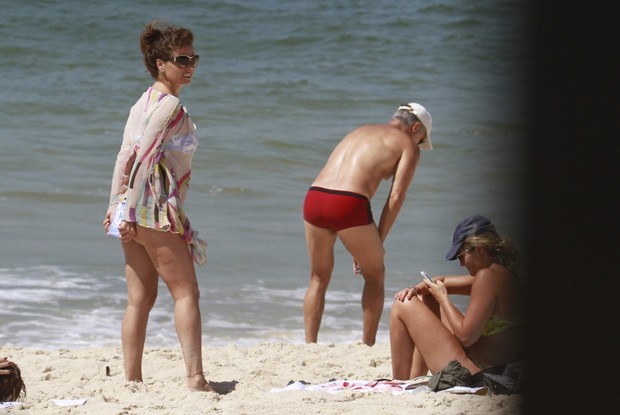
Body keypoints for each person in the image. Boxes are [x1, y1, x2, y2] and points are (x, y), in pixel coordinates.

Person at [102, 21, 213, 392]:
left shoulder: (142, 101)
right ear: (160, 63)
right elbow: (145, 158)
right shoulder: (170, 106)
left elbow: (124, 156)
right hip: (151, 208)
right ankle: (195, 378)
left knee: (141, 297)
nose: (190, 65)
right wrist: (130, 210)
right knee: (186, 293)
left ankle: (132, 380)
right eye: (182, 59)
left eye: (193, 57)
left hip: (132, 206)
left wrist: (116, 206)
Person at [303, 102, 432, 346]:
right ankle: (368, 345)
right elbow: (395, 198)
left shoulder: (360, 131)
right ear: (415, 127)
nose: (419, 145)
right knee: (375, 274)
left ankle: (310, 345)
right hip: (348, 202)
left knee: (318, 278)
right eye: (421, 139)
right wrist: (378, 240)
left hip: (315, 196)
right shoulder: (408, 146)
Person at [389, 215, 521, 381]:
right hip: (496, 369)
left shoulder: (486, 277)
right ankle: (413, 378)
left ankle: (398, 382)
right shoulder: (504, 274)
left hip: (478, 375)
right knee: (425, 298)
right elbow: (442, 281)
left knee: (403, 303)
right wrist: (415, 289)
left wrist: (443, 299)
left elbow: (466, 338)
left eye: (461, 256)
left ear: (479, 249)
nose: (461, 264)